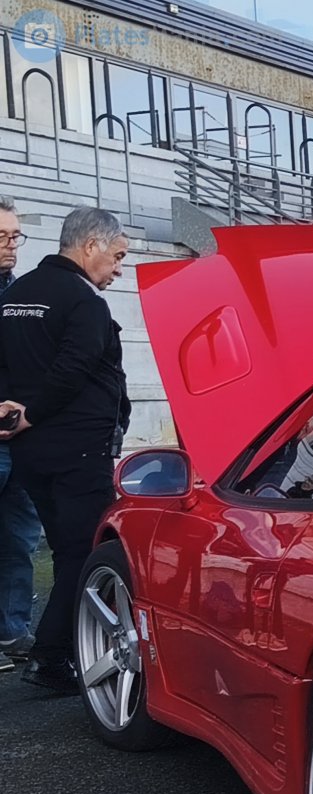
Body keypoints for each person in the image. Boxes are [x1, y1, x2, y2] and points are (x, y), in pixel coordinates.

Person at [0, 206, 130, 693]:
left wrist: (15, 411)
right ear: (91, 245)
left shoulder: (17, 294)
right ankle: (53, 657)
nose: (118, 268)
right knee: (82, 554)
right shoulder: (84, 301)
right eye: (117, 256)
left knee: (65, 551)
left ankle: (59, 650)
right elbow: (74, 367)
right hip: (77, 451)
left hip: (33, 454)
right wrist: (30, 412)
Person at [0, 195, 43, 674]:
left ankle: (12, 629)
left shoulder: (23, 295)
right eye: (2, 236)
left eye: (15, 235)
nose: (12, 245)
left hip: (22, 438)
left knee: (18, 540)